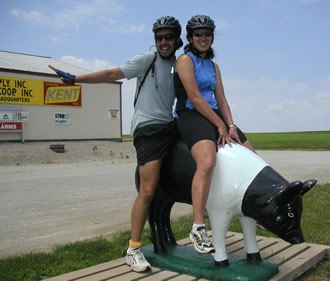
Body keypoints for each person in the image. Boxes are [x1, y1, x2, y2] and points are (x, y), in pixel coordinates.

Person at [49, 16, 183, 273]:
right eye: (159, 37)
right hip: (149, 129)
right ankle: (133, 248)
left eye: (168, 37)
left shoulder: (179, 64)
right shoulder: (147, 59)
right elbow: (112, 73)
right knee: (147, 190)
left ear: (177, 39)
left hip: (170, 125)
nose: (163, 42)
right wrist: (76, 78)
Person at [173, 15, 256, 254]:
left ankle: (253, 209)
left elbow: (221, 98)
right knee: (207, 162)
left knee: (252, 155)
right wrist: (219, 124)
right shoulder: (184, 60)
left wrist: (230, 125)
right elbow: (196, 98)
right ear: (190, 37)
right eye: (198, 34)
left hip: (216, 113)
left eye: (207, 34)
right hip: (191, 114)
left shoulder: (213, 66)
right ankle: (198, 227)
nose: (203, 38)